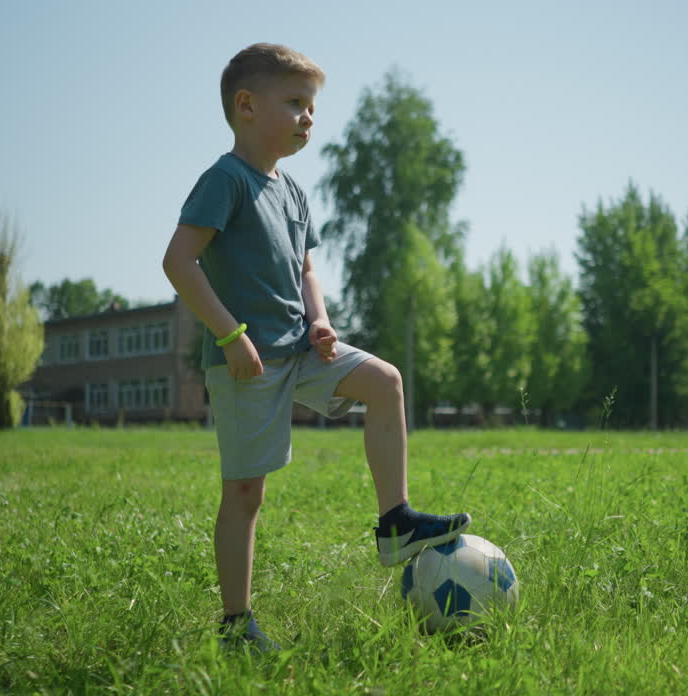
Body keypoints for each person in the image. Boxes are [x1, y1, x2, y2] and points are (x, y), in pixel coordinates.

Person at [162, 44, 470, 651]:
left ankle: (396, 523)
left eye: (312, 107)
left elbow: (305, 269)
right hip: (246, 360)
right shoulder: (225, 181)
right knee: (246, 493)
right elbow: (179, 261)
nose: (309, 118)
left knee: (386, 381)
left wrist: (321, 319)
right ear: (247, 106)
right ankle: (235, 627)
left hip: (302, 349)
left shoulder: (294, 192)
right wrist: (229, 334)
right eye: (296, 104)